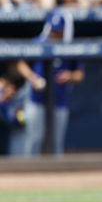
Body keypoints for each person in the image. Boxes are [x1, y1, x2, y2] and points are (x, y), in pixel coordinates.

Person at [15, 10, 84, 156]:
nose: (55, 34)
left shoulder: (71, 47)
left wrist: (69, 75)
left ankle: (58, 177)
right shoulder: (39, 42)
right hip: (36, 98)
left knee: (57, 142)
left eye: (59, 31)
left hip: (59, 100)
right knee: (34, 139)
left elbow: (80, 75)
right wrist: (33, 78)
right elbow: (21, 64)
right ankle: (29, 174)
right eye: (53, 30)